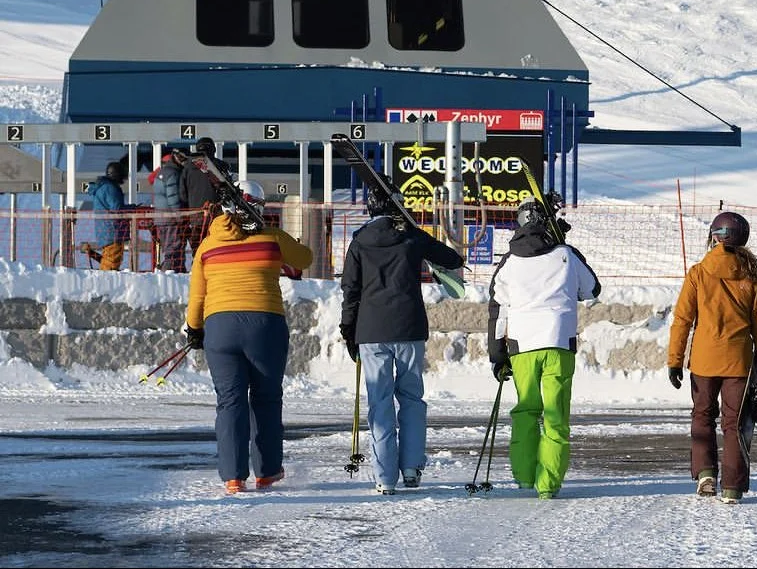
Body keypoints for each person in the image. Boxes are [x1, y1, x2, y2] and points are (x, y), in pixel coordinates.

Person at [184, 177, 313, 495]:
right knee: (266, 399)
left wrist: (194, 329)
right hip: (265, 324)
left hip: (219, 327)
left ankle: (233, 477)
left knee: (230, 402)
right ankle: (267, 471)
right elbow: (305, 259)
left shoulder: (208, 245)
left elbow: (197, 296)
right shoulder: (271, 239)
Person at [339, 187, 465, 495]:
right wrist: (414, 232)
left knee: (379, 403)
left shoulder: (358, 241)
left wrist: (348, 330)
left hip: (371, 331)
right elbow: (453, 258)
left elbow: (350, 290)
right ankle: (411, 467)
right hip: (408, 328)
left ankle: (384, 477)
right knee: (411, 398)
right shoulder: (411, 236)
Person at [487, 192, 601, 500]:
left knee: (525, 410)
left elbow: (498, 308)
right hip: (558, 343)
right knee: (555, 416)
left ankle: (524, 475)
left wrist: (498, 355)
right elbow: (592, 289)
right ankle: (548, 483)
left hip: (522, 345)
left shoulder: (510, 262)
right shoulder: (566, 254)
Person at [667, 210, 757, 504]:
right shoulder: (751, 280)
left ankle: (704, 474)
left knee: (702, 416)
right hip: (738, 363)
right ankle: (732, 488)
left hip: (703, 361)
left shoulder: (698, 274)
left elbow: (682, 320)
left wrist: (675, 360)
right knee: (734, 423)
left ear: (714, 237)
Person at [180, 137, 226, 252]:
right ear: (213, 149)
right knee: (216, 243)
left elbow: (182, 192)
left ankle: (197, 265)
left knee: (197, 244)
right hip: (217, 212)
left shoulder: (188, 167)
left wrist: (188, 207)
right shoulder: (221, 166)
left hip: (195, 212)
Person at [148, 147, 187, 272]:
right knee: (174, 248)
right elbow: (172, 197)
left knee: (169, 248)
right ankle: (170, 274)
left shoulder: (161, 172)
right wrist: (178, 215)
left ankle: (176, 271)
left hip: (160, 218)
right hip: (170, 219)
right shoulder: (173, 173)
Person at [89, 160, 134, 271]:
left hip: (106, 230)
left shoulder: (104, 187)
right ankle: (105, 284)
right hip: (112, 230)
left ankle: (104, 283)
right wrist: (132, 208)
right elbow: (117, 209)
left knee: (109, 259)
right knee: (111, 263)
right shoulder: (110, 188)